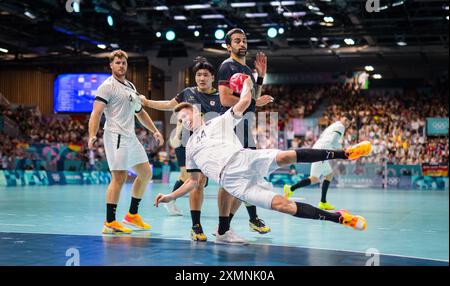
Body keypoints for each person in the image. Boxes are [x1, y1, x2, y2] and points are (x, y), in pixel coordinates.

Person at [155, 75, 371, 244]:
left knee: (286, 156)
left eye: (186, 116)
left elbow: (245, 101)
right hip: (233, 183)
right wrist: (170, 197)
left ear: (196, 113)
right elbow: (193, 182)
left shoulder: (217, 122)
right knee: (282, 205)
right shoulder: (190, 146)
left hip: (244, 158)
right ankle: (338, 217)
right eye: (180, 120)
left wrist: (247, 82)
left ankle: (346, 153)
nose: (184, 121)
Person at [140, 57, 223, 242]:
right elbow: (169, 105)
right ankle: (195, 225)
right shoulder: (187, 93)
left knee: (199, 182)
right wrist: (146, 102)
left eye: (205, 75)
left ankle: (172, 199)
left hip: (209, 146)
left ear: (212, 78)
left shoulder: (220, 97)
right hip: (187, 144)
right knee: (195, 180)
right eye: (198, 75)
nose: (201, 78)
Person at [88, 50, 164, 234]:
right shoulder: (106, 87)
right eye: (118, 63)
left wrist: (154, 130)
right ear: (111, 66)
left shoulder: (130, 86)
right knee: (119, 176)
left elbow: (140, 112)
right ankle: (110, 221)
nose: (121, 66)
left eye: (124, 63)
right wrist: (92, 134)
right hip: (115, 136)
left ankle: (132, 215)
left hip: (130, 136)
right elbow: (96, 112)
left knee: (145, 173)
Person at [217, 28, 274, 237]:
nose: (242, 44)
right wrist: (252, 101)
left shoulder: (247, 70)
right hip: (231, 127)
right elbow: (224, 100)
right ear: (228, 46)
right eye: (237, 41)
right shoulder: (226, 66)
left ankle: (225, 227)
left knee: (248, 178)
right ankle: (224, 229)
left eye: (244, 40)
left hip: (245, 128)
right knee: (230, 178)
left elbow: (253, 100)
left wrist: (260, 77)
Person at [283, 114, 353, 210]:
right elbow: (333, 142)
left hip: (321, 150)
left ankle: (323, 202)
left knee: (329, 175)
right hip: (322, 152)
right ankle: (290, 188)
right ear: (342, 118)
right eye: (346, 120)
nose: (346, 123)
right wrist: (344, 151)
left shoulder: (335, 125)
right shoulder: (340, 127)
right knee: (314, 178)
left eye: (348, 122)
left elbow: (330, 141)